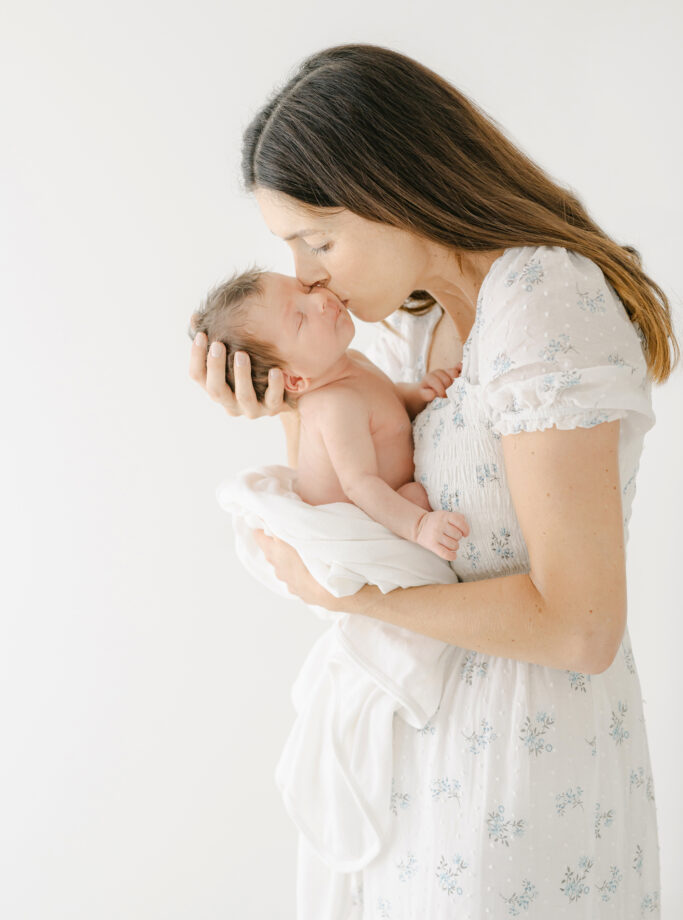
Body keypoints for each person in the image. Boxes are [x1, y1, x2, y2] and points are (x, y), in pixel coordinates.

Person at [188, 44, 678, 917]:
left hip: (517, 787)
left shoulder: (539, 300)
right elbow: (360, 501)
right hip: (426, 776)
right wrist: (288, 401)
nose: (306, 274)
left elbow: (580, 628)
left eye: (318, 239)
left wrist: (358, 599)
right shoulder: (418, 332)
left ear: (392, 189)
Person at [188, 265, 468, 558]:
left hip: (375, 498)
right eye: (300, 319)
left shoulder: (351, 362)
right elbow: (361, 486)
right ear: (294, 380)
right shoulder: (334, 407)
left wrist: (416, 393)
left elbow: (385, 406)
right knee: (415, 498)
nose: (321, 300)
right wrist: (419, 525)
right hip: (352, 525)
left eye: (305, 289)